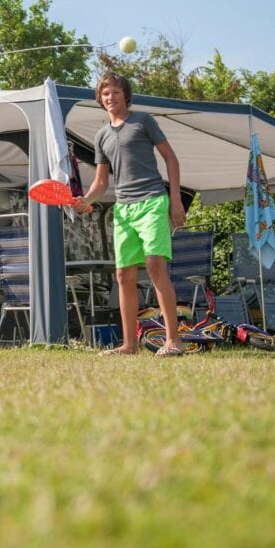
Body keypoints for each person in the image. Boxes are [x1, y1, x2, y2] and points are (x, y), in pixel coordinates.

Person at [73, 72, 187, 356]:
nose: (110, 98)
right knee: (123, 275)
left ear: (125, 95)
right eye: (105, 94)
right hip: (123, 209)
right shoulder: (101, 136)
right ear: (100, 100)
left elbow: (171, 157)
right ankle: (129, 345)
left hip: (151, 201)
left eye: (114, 92)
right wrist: (86, 200)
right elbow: (101, 182)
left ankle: (173, 341)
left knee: (153, 267)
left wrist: (175, 200)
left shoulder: (144, 121)